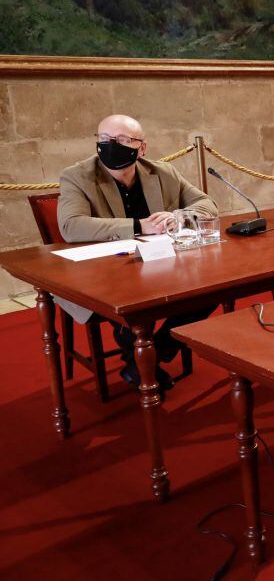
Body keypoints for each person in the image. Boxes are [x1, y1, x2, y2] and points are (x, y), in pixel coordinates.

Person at [57, 114, 219, 390]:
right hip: (105, 271)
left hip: (159, 263)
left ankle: (155, 350)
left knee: (211, 288)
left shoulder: (163, 173)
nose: (111, 145)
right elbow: (71, 226)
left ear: (141, 148)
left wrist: (176, 216)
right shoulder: (77, 176)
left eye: (122, 140)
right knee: (134, 302)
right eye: (104, 139)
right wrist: (137, 225)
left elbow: (207, 205)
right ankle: (143, 354)